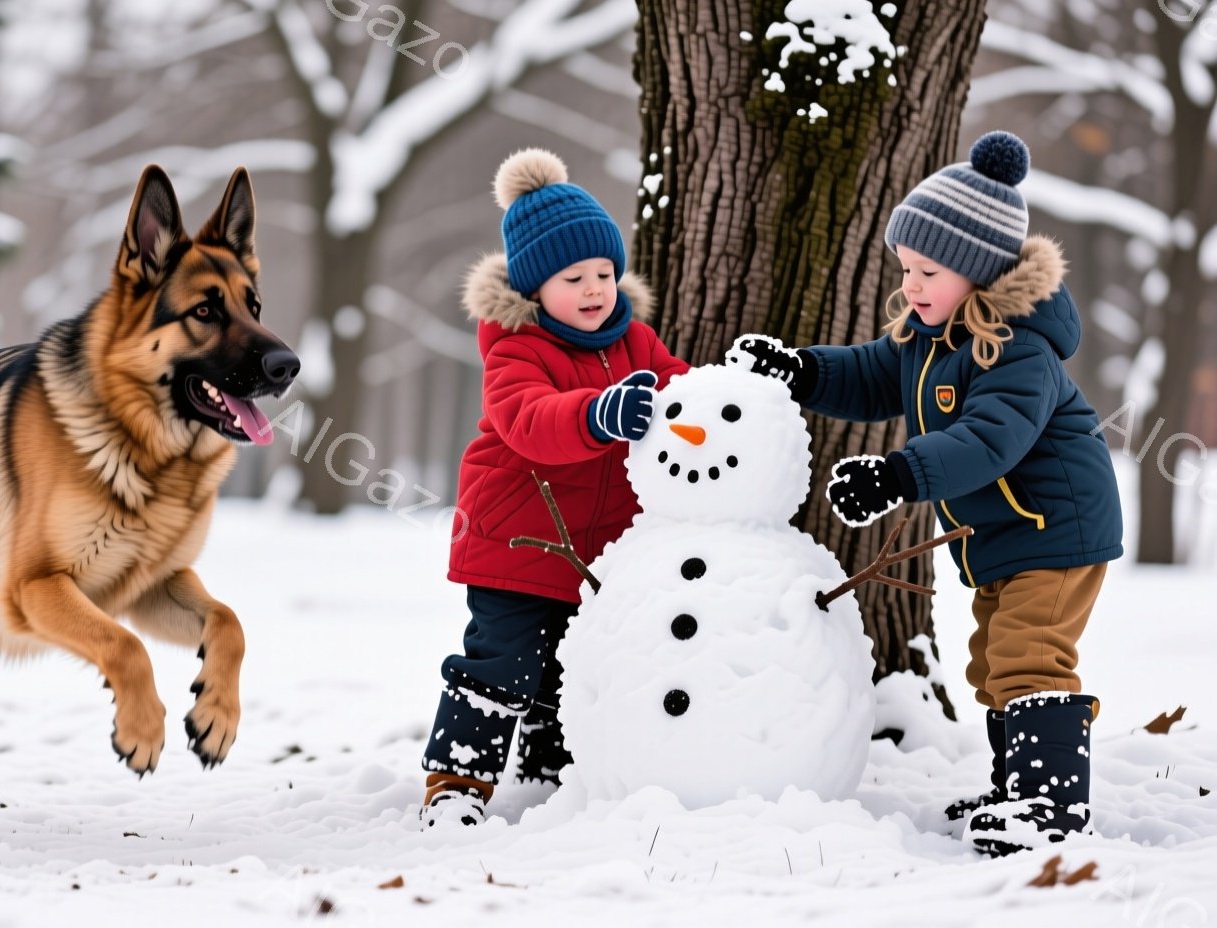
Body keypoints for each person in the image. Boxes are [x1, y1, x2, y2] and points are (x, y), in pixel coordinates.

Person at [727, 131, 1122, 856]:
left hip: (1059, 528)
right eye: (905, 267)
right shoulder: (927, 337)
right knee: (991, 661)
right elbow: (869, 374)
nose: (910, 284)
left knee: (1029, 654)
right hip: (1005, 537)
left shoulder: (1018, 348)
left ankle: (1051, 804)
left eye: (928, 270)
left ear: (979, 272)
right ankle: (1018, 788)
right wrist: (798, 371)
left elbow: (988, 440)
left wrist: (896, 475)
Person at [421, 148, 690, 826]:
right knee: (502, 666)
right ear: (536, 286)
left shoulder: (637, 342)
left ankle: (553, 768)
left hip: (598, 553)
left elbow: (682, 388)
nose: (596, 288)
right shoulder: (516, 348)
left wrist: (727, 394)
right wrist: (599, 412)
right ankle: (456, 783)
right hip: (517, 542)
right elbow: (529, 422)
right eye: (576, 277)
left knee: (575, 665)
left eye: (605, 272)